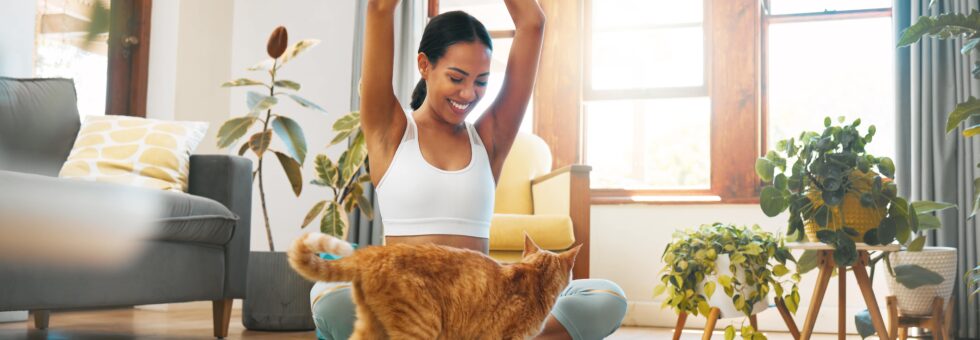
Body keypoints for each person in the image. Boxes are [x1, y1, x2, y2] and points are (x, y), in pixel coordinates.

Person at [310, 1, 627, 339]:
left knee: (606, 298)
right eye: (457, 77)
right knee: (329, 300)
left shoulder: (489, 140)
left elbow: (532, 23)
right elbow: (379, 9)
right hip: (407, 308)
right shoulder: (390, 132)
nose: (468, 93)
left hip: (480, 313)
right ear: (424, 65)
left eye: (481, 81)